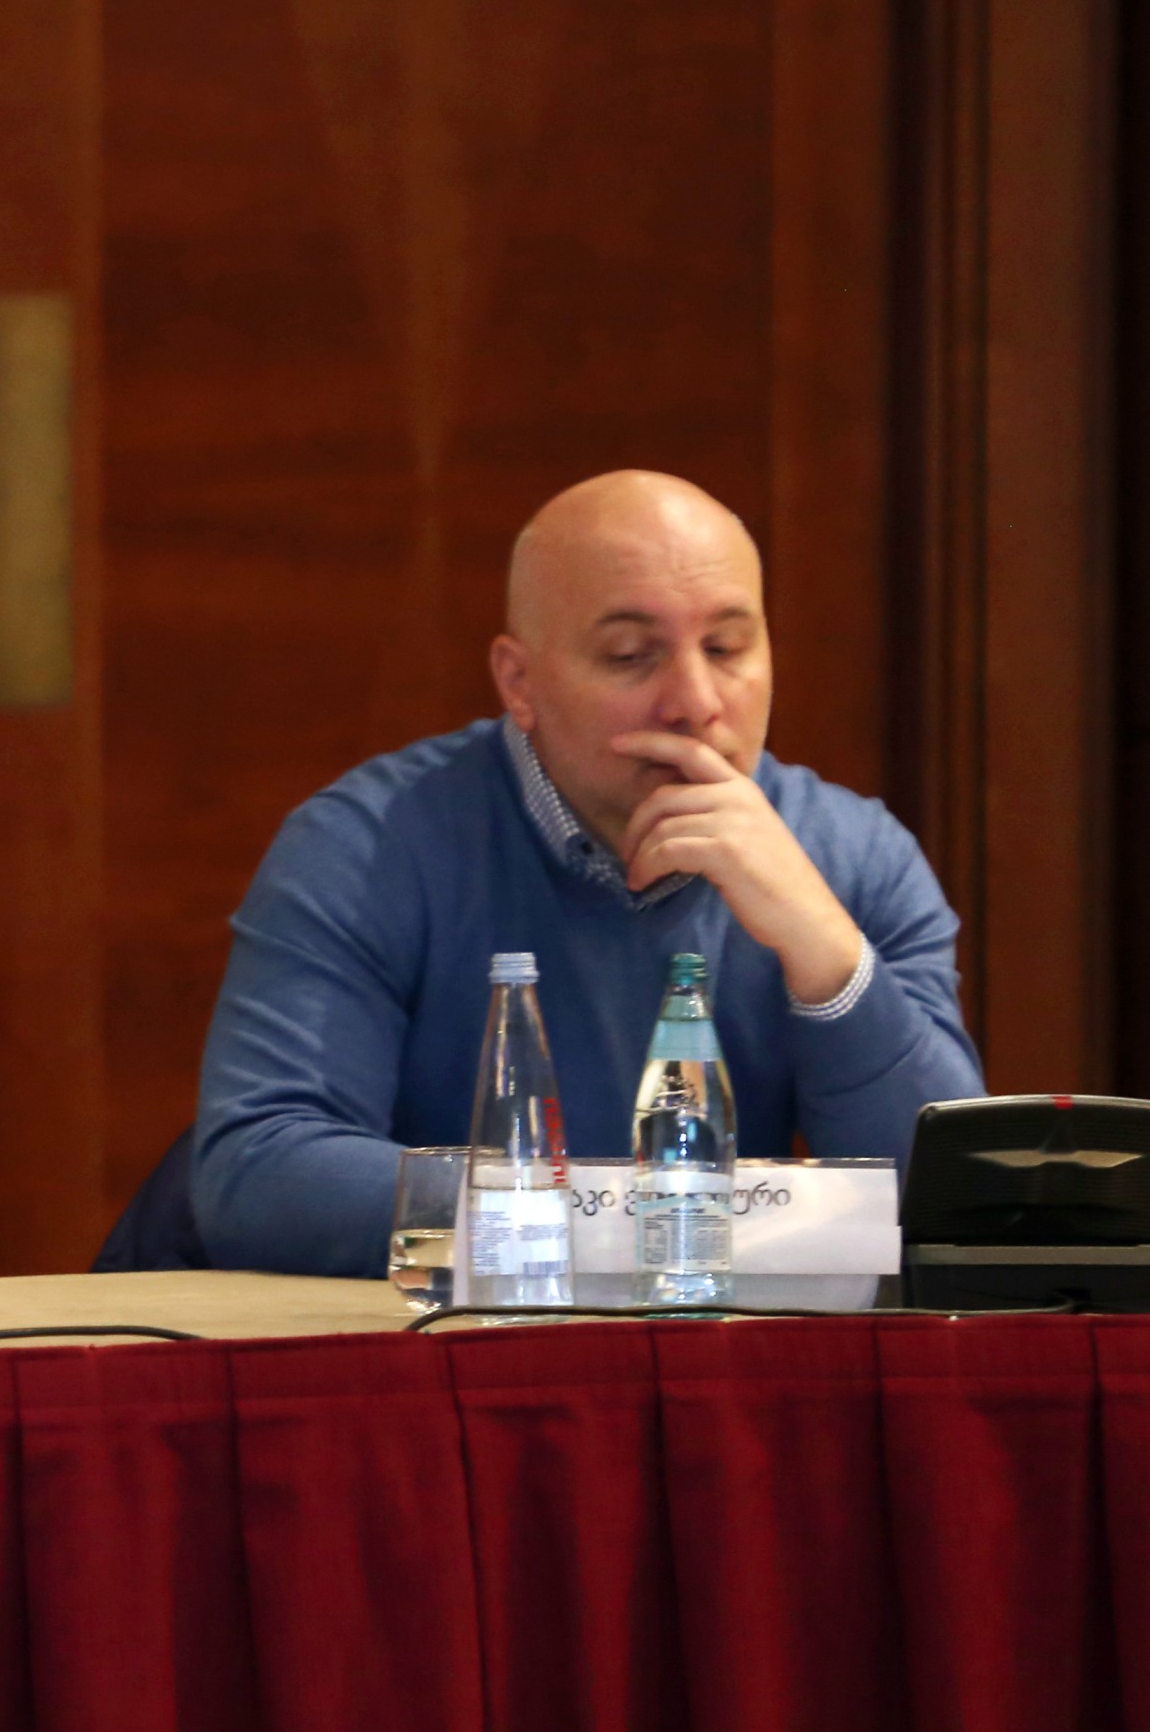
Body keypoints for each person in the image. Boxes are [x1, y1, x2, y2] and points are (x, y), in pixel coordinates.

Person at [191, 470, 983, 1273]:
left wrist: (827, 957)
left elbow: (952, 1210)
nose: (694, 701)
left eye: (725, 648)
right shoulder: (365, 847)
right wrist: (602, 1228)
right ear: (519, 682)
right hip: (434, 1342)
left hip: (716, 1339)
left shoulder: (855, 856)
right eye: (630, 656)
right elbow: (259, 1176)